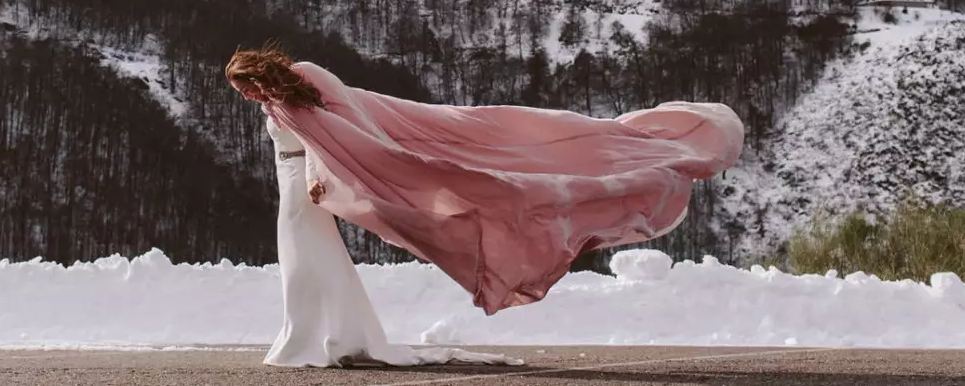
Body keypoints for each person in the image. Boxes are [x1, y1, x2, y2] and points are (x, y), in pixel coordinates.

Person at [225, 46, 744, 368]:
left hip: (306, 190)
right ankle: (318, 336)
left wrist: (337, 177)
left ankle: (321, 339)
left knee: (311, 262)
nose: (245, 97)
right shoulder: (281, 100)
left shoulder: (303, 84)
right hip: (298, 189)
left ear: (256, 73)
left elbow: (348, 136)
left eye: (243, 86)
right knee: (308, 264)